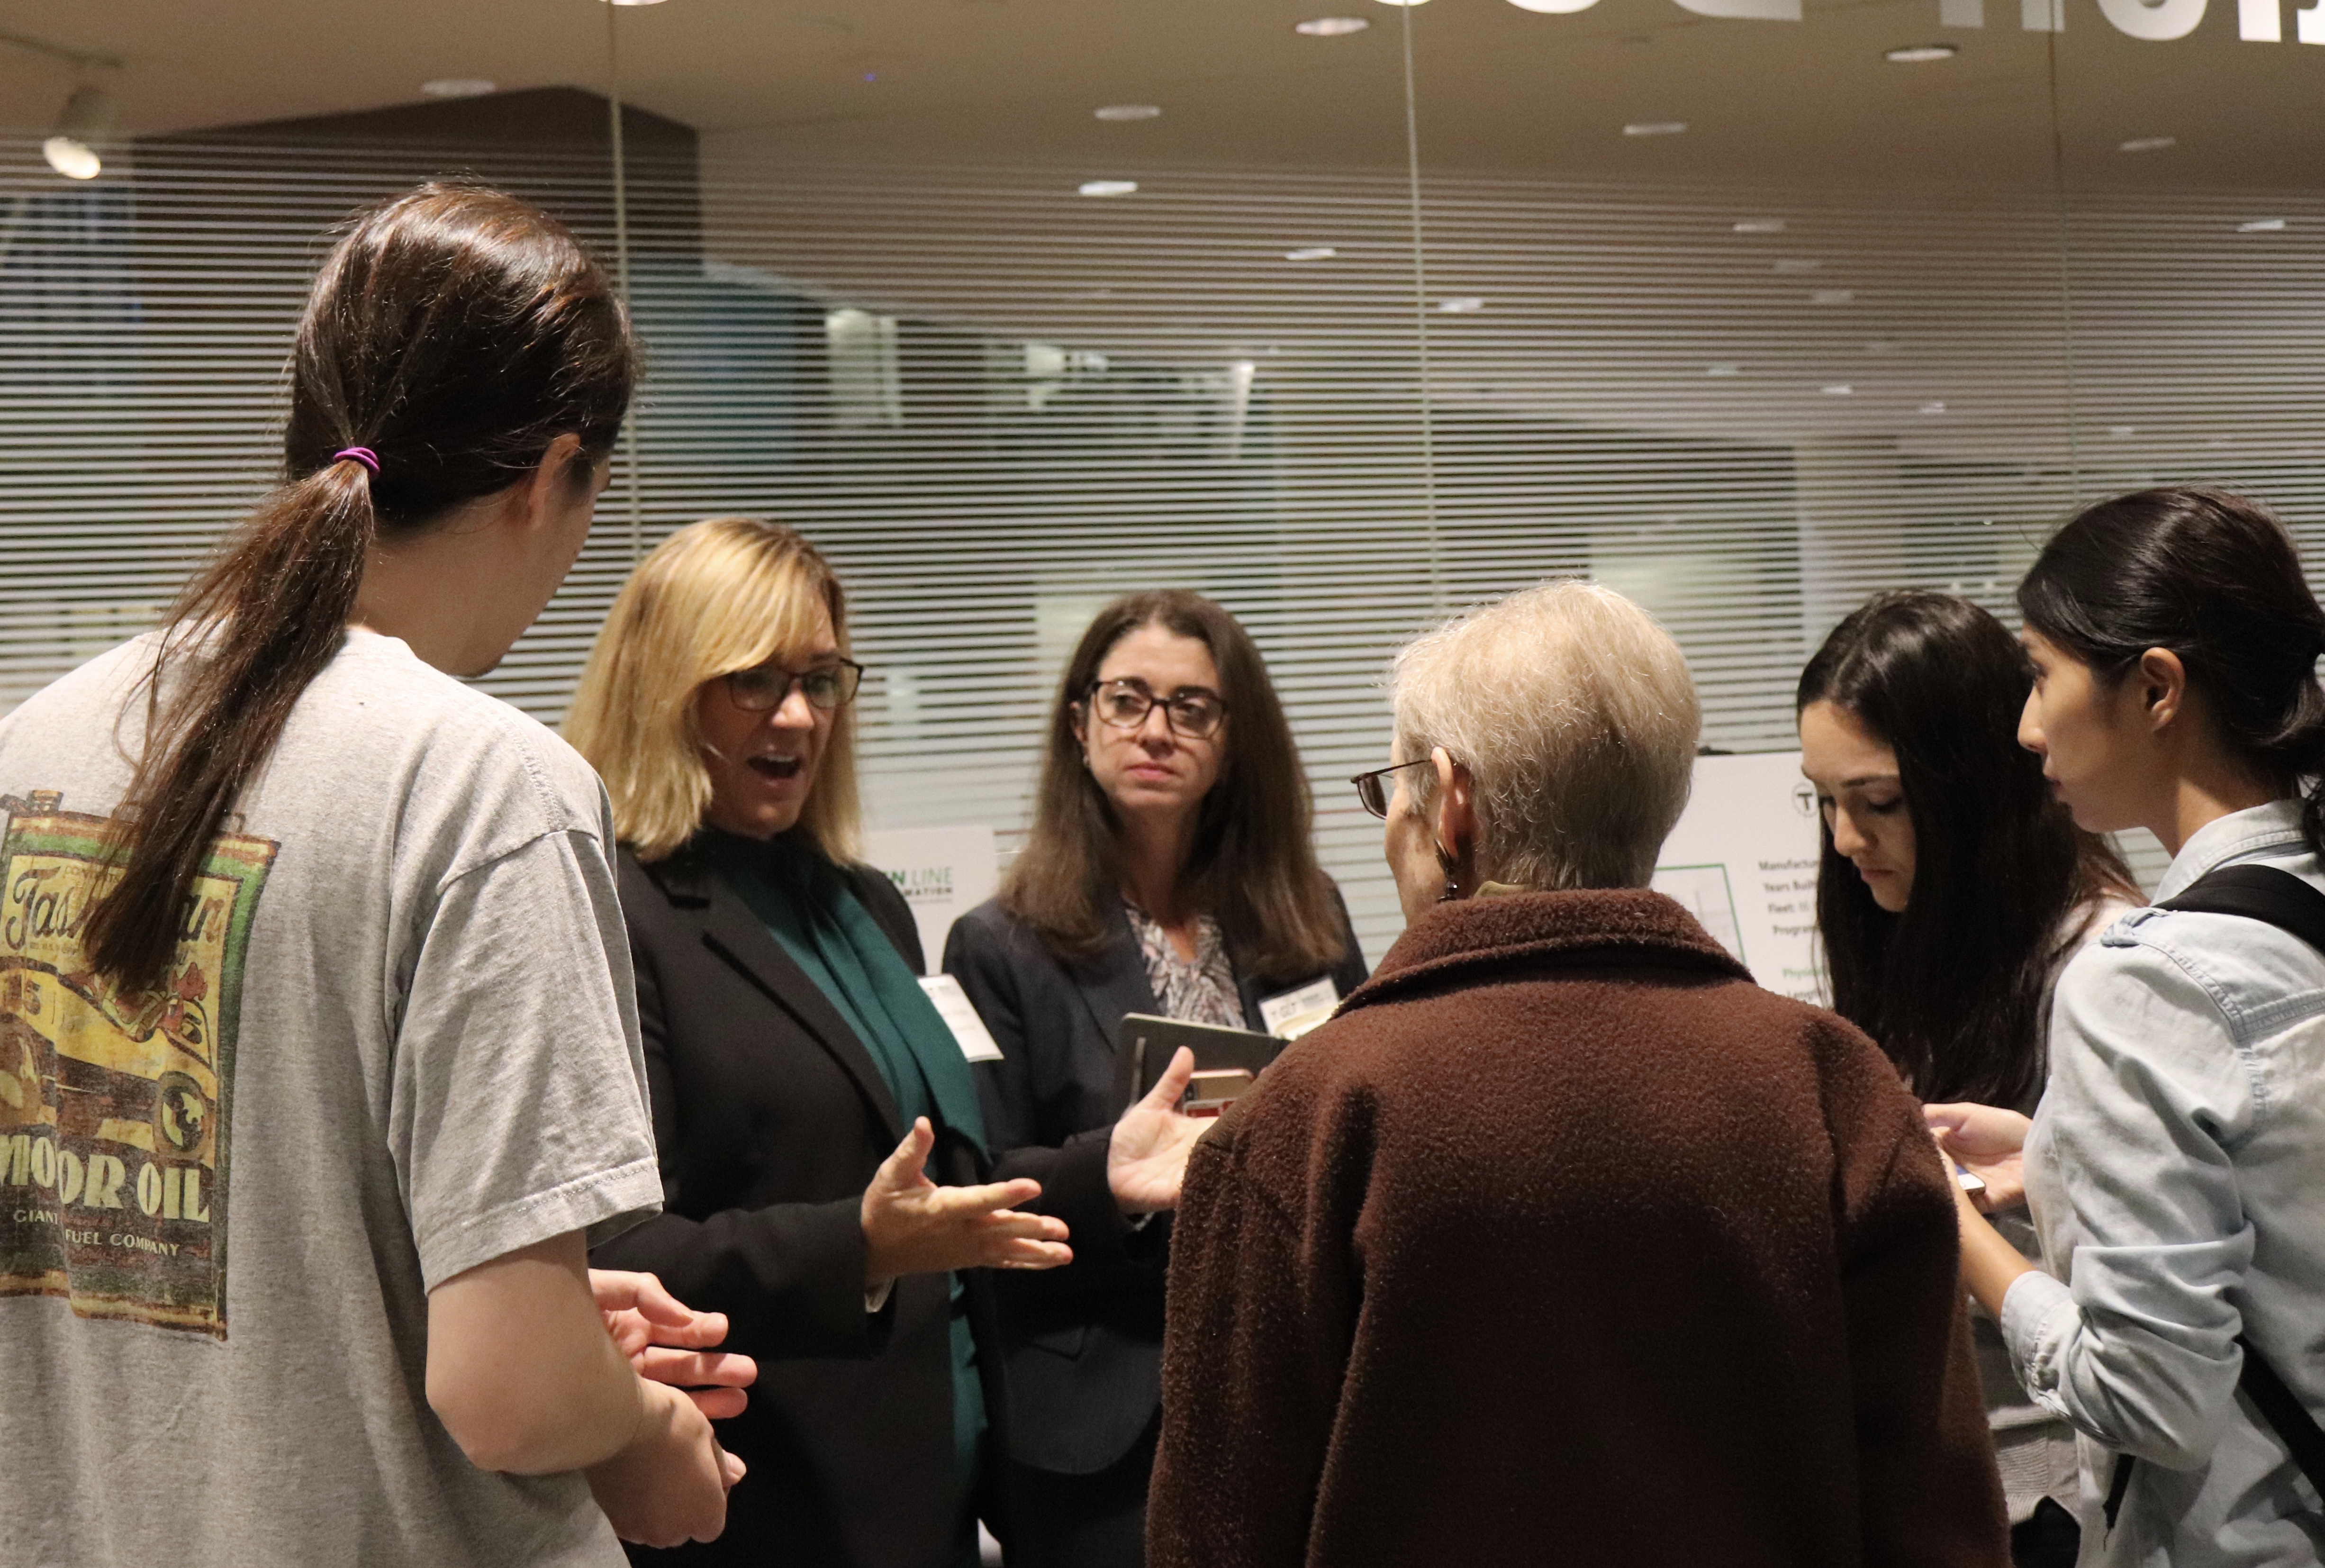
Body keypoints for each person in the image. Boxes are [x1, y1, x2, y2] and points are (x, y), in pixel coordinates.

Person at [0, 184, 740, 1565]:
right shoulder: (483, 787)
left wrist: (468, 1281)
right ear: (548, 476)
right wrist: (642, 1433)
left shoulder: (31, 752)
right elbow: (510, 1389)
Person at [1148, 580, 2009, 1568]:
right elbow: (1934, 1517)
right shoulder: (1832, 1084)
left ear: (1451, 805)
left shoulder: (1302, 1118)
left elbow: (1218, 1537)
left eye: (1395, 788)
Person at [565, 519, 1199, 1568]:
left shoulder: (863, 904)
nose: (799, 714)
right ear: (667, 687)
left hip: (937, 1494)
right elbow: (617, 1252)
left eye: (820, 678)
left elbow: (945, 1181)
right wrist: (857, 1247)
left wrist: (1107, 1172)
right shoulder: (619, 909)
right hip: (768, 1503)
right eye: (755, 679)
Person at [1933, 487, 2325, 1567]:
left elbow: (2149, 1398)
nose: (2025, 723)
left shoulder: (2145, 982)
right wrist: (2053, 1148)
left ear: (2156, 686)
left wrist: (1963, 1238)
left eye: (2042, 674)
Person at [944, 589, 1369, 1568]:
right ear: (1080, 721)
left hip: (1292, 1377)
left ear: (1231, 740)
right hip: (1104, 1414)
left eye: (1192, 707)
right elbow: (989, 1181)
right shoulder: (1002, 943)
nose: (1157, 730)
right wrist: (1118, 1177)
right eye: (1128, 699)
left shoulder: (1309, 920)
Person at [1798, 590, 2141, 1566]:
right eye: (1822, 799)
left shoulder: (2100, 965)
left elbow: (2142, 1303)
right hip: (1947, 1469)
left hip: (2059, 1492)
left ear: (1973, 784)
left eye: (1879, 801)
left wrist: (1947, 1212)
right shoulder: (1913, 936)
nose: (1844, 839)